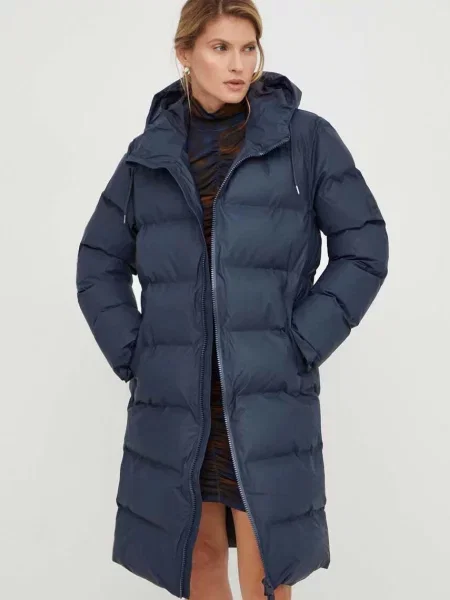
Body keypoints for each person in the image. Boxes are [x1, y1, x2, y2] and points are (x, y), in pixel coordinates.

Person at [75, 1, 389, 598]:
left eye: (248, 48)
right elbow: (98, 263)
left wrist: (302, 340)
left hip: (266, 391)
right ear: (185, 53)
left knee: (267, 565)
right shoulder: (150, 154)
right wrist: (139, 353)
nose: (239, 64)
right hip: (179, 397)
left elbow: (365, 247)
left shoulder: (304, 139)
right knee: (195, 551)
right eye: (220, 48)